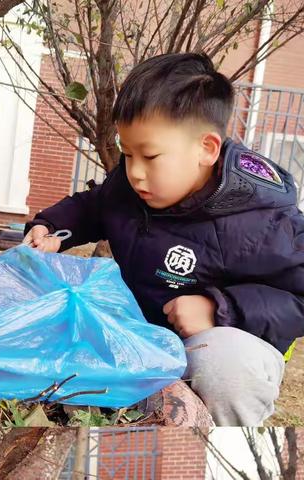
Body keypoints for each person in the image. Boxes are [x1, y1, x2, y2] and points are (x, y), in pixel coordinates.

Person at [23, 53, 304, 426]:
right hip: (143, 332)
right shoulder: (132, 185)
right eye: (127, 154)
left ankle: (214, 447)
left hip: (219, 342)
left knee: (226, 368)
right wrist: (52, 228)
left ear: (206, 148)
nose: (135, 172)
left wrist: (220, 310)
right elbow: (94, 206)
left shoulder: (268, 222)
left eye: (150, 156)